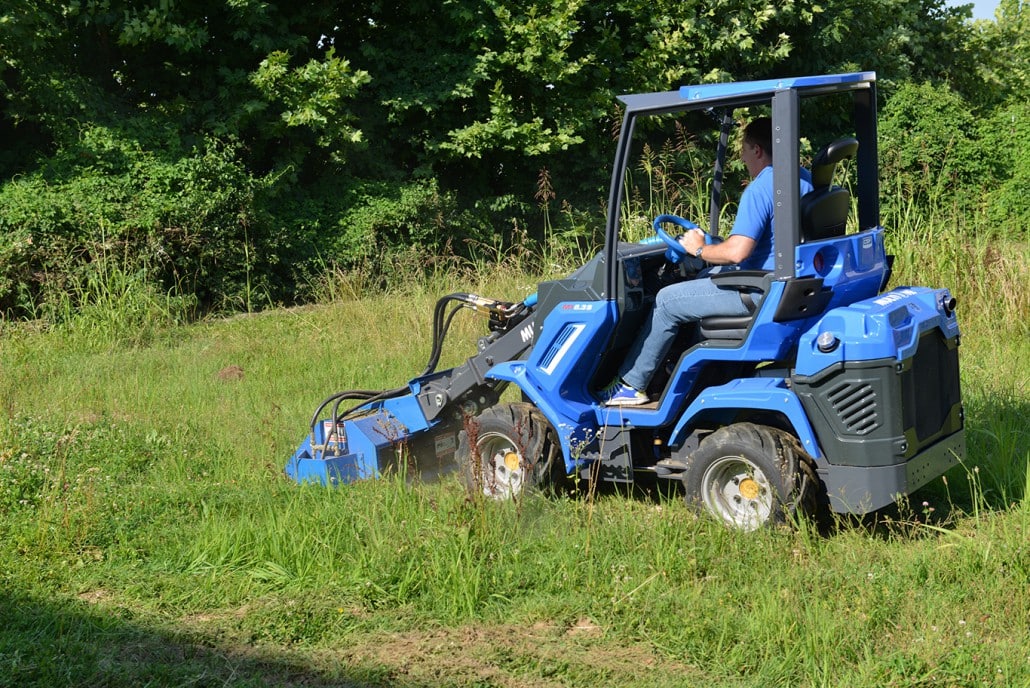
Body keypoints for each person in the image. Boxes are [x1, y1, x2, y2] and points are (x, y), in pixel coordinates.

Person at [603, 117, 813, 406]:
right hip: (781, 283)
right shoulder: (802, 179)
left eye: (743, 149)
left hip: (758, 289)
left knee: (665, 300)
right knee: (704, 277)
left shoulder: (762, 189)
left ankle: (632, 384)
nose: (742, 157)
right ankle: (679, 372)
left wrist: (700, 249)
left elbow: (737, 252)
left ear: (757, 150)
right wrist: (714, 247)